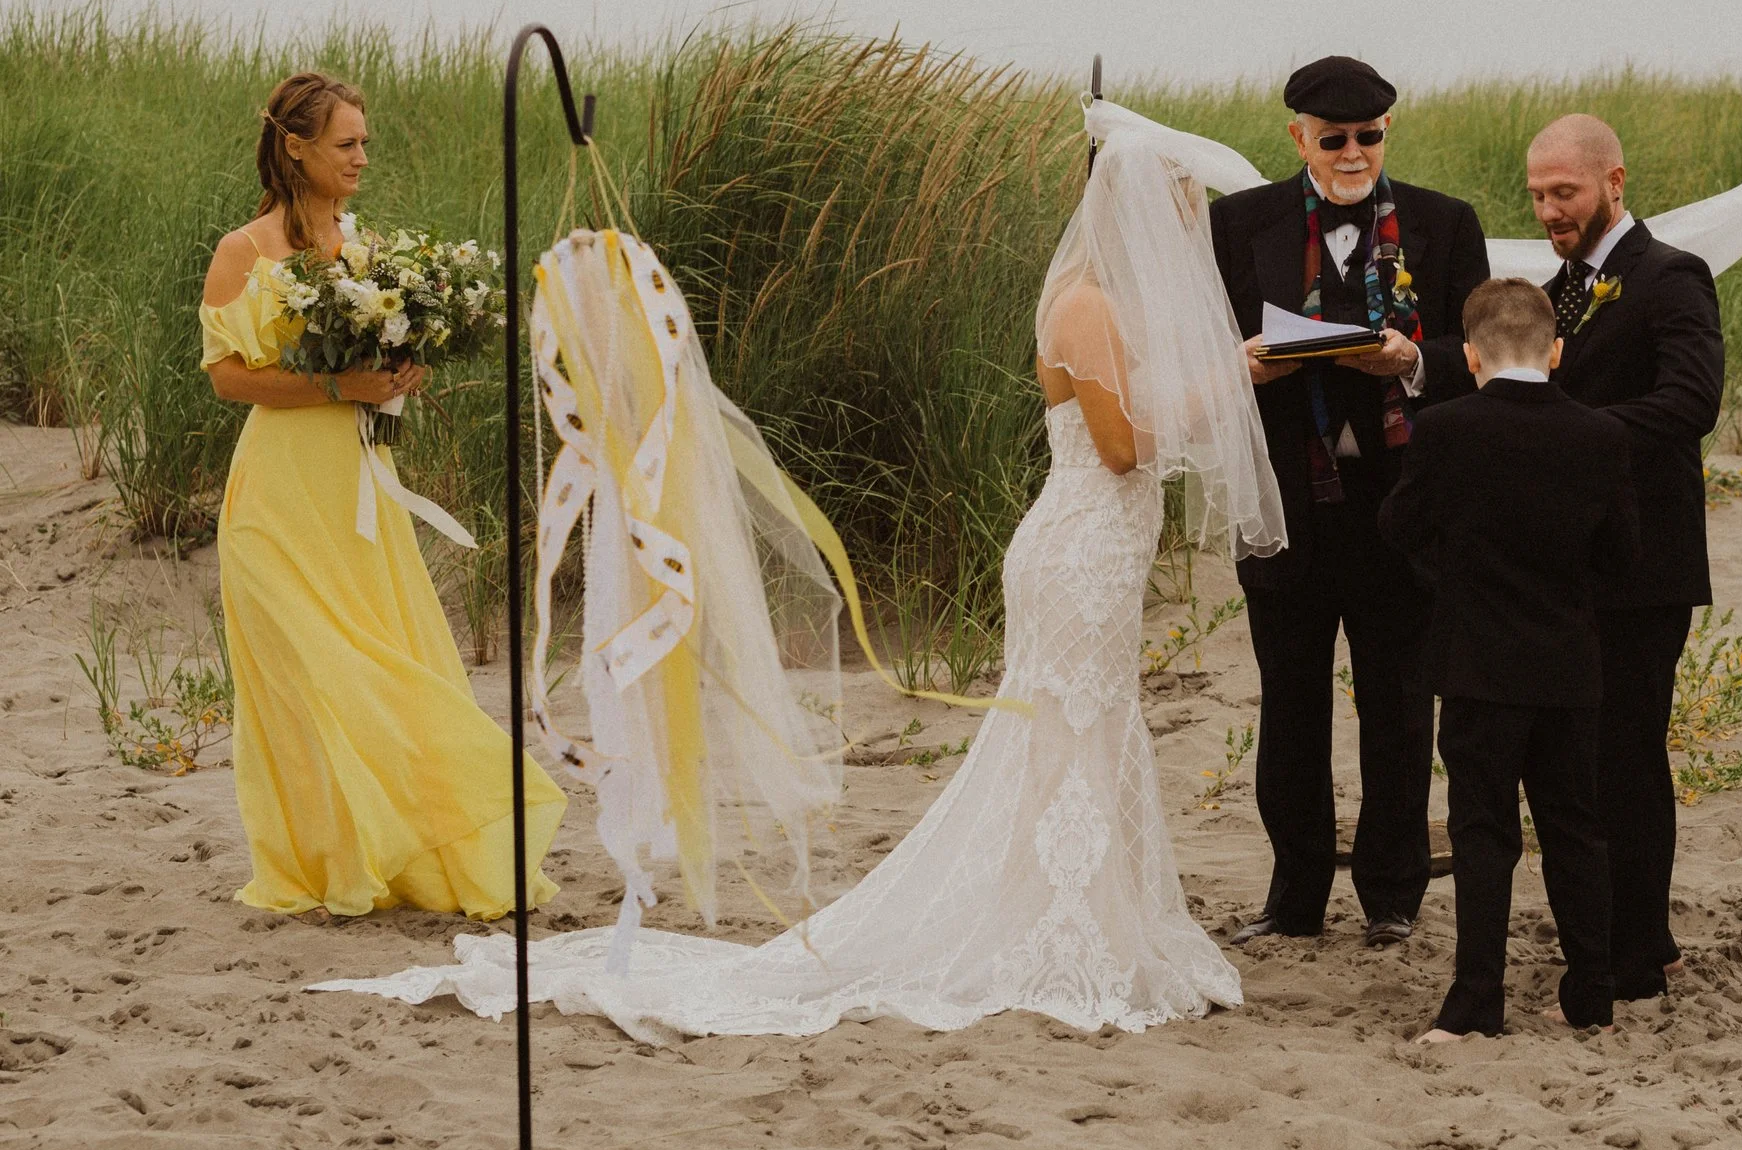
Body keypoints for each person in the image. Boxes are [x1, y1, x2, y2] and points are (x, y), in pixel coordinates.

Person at [316, 101, 1284, 1040]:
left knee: (1091, 729)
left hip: (1102, 550)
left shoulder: (1115, 306)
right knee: (1067, 732)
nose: (1188, 224)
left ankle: (1091, 920)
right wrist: (1231, 378)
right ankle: (1063, 930)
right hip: (1077, 546)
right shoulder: (1086, 306)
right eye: (1179, 205)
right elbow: (1122, 448)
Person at [200, 71, 564, 919]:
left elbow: (387, 366)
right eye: (346, 143)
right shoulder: (243, 252)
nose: (363, 157)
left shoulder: (368, 254)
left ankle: (425, 836)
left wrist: (403, 371)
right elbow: (226, 378)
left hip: (359, 491)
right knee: (310, 677)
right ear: (297, 147)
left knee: (384, 667)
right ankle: (327, 861)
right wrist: (339, 389)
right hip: (276, 499)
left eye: (364, 142)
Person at [1209, 57, 1491, 949]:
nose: (1352, 152)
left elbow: (1480, 351)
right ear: (1296, 138)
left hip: (1400, 507)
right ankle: (1293, 899)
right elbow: (1197, 347)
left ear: (1387, 134)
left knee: (1401, 704)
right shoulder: (1235, 225)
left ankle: (1393, 897)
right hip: (1286, 505)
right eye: (1333, 138)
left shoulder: (1446, 225)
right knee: (1290, 705)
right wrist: (1243, 364)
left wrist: (1411, 360)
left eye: (1369, 136)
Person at [1381, 279, 1637, 1039]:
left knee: (1482, 830)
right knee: (1574, 828)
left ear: (1470, 355)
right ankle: (1591, 991)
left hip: (1477, 665)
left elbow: (1401, 525)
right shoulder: (1603, 436)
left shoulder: (1448, 429)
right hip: (1567, 664)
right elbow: (1621, 559)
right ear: (1556, 352)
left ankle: (1476, 1002)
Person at [1525, 114, 1723, 1001]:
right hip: (1575, 565)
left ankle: (1641, 950)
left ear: (1615, 182)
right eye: (1535, 195)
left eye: (1562, 193)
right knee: (1586, 755)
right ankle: (1627, 933)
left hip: (1646, 563)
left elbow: (1690, 402)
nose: (1548, 211)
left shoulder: (1671, 276)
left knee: (1631, 756)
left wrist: (1566, 435)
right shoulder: (1556, 289)